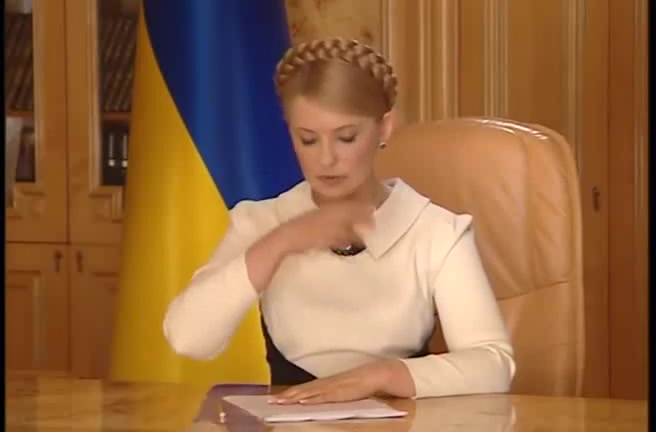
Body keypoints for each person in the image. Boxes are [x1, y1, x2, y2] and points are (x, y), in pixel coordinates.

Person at [163, 37, 516, 404]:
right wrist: (280, 242)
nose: (326, 160)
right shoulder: (261, 221)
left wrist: (377, 377)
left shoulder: (437, 231)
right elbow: (188, 339)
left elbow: (493, 364)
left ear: (385, 128)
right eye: (308, 140)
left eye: (346, 138)